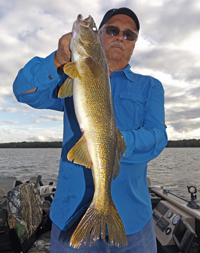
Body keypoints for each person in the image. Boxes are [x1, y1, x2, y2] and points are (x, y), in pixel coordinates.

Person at [13, 7, 168, 253]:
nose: (121, 37)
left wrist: (116, 141)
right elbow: (23, 91)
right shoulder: (70, 77)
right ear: (100, 37)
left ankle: (103, 203)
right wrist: (56, 59)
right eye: (113, 30)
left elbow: (158, 137)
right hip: (70, 218)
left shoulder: (150, 87)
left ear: (134, 44)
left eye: (130, 35)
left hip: (133, 222)